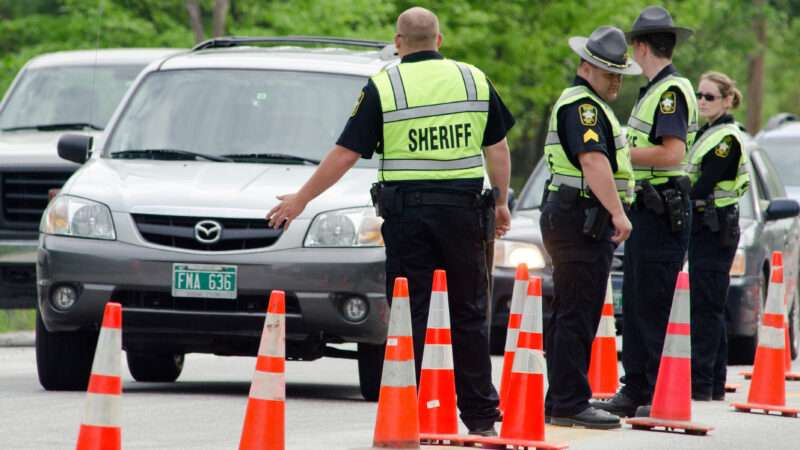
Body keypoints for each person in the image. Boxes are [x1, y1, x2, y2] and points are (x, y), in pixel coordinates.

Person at [266, 6, 514, 437]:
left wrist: (301, 200)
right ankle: (479, 418)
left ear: (398, 43)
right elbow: (498, 148)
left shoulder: (385, 83)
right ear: (440, 40)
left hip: (408, 215)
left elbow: (346, 152)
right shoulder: (474, 78)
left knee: (410, 312)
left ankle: (413, 409)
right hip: (463, 212)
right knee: (470, 311)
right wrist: (500, 204)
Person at [593, 5, 699, 417]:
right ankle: (636, 388)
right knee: (638, 302)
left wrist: (616, 152)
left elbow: (671, 154)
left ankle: (651, 390)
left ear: (640, 47)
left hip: (661, 210)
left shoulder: (670, 92)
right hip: (648, 210)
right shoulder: (657, 90)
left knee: (652, 304)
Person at [540, 25, 637, 429]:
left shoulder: (585, 103)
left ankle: (562, 397)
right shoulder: (584, 107)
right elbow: (593, 161)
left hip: (574, 216)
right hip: (581, 218)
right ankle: (569, 401)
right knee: (577, 312)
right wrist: (618, 213)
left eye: (618, 72)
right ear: (585, 66)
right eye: (606, 71)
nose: (614, 79)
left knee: (571, 309)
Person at [686, 72, 749, 401]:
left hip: (716, 227)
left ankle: (702, 382)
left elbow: (702, 184)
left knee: (706, 307)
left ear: (727, 100)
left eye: (709, 96)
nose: (701, 101)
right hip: (708, 227)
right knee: (709, 304)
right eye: (699, 95)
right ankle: (711, 382)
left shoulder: (725, 139)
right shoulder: (706, 133)